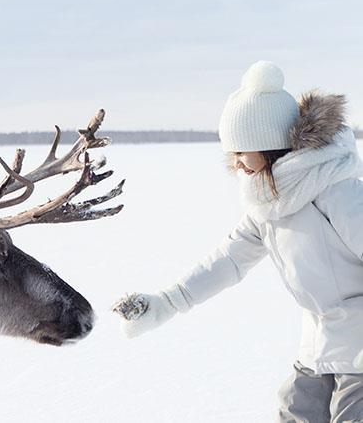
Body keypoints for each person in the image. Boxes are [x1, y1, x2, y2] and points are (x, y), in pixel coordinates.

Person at [113, 60, 363, 423]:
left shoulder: (338, 193)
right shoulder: (268, 205)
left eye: (241, 151)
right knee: (295, 411)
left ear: (268, 145)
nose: (236, 163)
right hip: (318, 344)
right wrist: (166, 303)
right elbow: (227, 261)